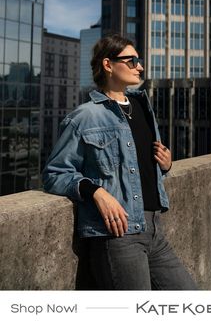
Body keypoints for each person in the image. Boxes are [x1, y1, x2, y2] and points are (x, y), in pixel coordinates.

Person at [42, 34, 197, 290]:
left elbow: (135, 172)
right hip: (118, 236)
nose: (140, 66)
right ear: (108, 64)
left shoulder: (142, 108)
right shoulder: (85, 117)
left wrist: (165, 165)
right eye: (132, 60)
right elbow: (54, 174)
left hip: (155, 230)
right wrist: (96, 192)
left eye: (140, 61)